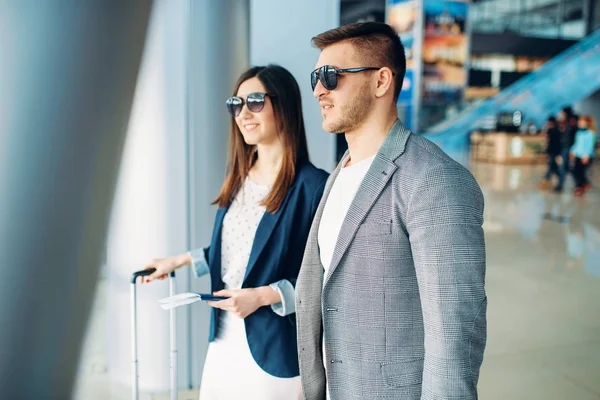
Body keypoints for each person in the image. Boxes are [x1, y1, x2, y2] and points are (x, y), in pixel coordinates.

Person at [294, 22, 487, 400]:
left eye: (332, 76)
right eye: (315, 76)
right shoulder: (341, 171)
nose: (318, 89)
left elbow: (453, 343)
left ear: (381, 81)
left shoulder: (434, 179)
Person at [143, 64, 328, 400]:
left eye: (255, 101)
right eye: (236, 104)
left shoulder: (312, 186)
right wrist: (180, 261)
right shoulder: (238, 175)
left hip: (275, 345)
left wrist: (261, 296)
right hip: (224, 337)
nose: (243, 114)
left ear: (283, 106)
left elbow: (324, 276)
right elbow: (240, 250)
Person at [570, 115, 597, 196]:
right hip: (578, 155)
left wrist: (586, 155)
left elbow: (590, 146)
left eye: (582, 121)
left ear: (587, 123)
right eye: (580, 121)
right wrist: (572, 151)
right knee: (575, 171)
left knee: (581, 171)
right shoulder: (579, 133)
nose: (580, 123)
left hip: (586, 156)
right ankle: (583, 184)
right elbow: (576, 144)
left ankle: (580, 186)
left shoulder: (591, 133)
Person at [554, 107, 578, 192]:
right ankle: (579, 183)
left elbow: (573, 136)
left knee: (563, 167)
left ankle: (560, 185)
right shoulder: (562, 123)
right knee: (566, 167)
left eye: (562, 113)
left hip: (568, 147)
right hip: (562, 147)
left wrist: (573, 150)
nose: (561, 115)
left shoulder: (572, 123)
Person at [539, 116, 562, 190]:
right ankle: (560, 176)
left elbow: (550, 142)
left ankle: (546, 179)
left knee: (551, 165)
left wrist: (547, 152)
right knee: (553, 166)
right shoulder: (555, 130)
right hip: (553, 150)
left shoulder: (553, 130)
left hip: (553, 150)